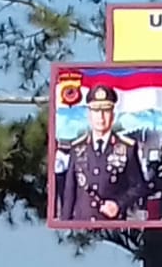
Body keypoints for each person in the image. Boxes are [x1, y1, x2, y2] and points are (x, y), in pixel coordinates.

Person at [59, 85, 148, 222]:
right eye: (96, 111)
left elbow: (139, 186)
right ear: (89, 115)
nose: (100, 117)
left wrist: (119, 204)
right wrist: (65, 224)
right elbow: (70, 192)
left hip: (112, 229)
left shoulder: (126, 148)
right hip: (82, 226)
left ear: (113, 115)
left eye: (105, 111)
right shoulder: (77, 148)